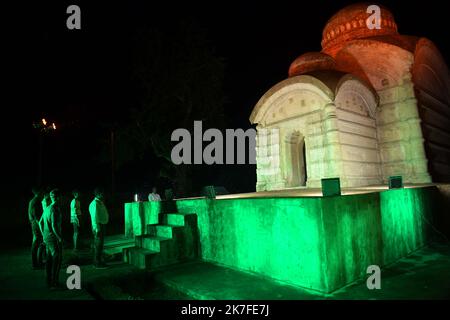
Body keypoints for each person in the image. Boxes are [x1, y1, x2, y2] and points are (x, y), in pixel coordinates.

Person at [39, 189, 63, 289]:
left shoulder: (47, 208)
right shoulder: (54, 209)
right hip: (53, 238)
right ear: (58, 197)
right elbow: (53, 225)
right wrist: (59, 238)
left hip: (46, 237)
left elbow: (40, 222)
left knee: (49, 260)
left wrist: (44, 234)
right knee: (57, 259)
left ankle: (48, 281)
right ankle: (54, 283)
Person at [89, 188, 109, 268]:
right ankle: (97, 263)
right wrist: (96, 228)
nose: (103, 195)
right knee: (98, 245)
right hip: (98, 226)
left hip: (101, 225)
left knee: (99, 245)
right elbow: (94, 217)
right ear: (99, 194)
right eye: (102, 193)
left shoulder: (99, 202)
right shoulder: (95, 204)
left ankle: (99, 261)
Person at [28, 187, 44, 269]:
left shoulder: (33, 201)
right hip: (36, 224)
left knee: (38, 242)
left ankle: (38, 262)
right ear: (38, 193)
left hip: (34, 223)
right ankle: (35, 263)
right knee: (37, 242)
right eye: (42, 192)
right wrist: (41, 227)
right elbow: (36, 216)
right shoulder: (35, 201)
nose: (43, 194)